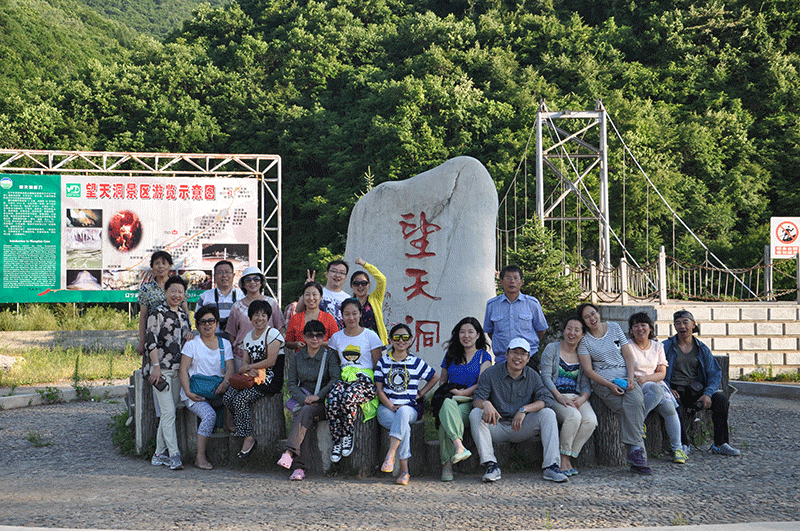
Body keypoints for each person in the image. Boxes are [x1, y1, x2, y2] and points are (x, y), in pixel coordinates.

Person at [470, 338, 568, 483]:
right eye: (514, 352)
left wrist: (524, 409)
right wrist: (486, 404)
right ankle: (491, 465)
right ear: (507, 354)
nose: (518, 357)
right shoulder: (491, 374)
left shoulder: (533, 375)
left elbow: (546, 399)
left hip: (521, 427)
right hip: (497, 425)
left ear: (528, 358)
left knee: (548, 413)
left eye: (523, 354)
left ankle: (551, 466)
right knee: (476, 414)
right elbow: (476, 400)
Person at [576, 303, 651, 474]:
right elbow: (588, 370)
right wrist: (609, 385)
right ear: (583, 321)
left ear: (598, 313)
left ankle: (635, 454)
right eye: (587, 317)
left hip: (626, 377)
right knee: (631, 407)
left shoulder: (615, 328)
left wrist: (631, 378)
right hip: (603, 382)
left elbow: (627, 355)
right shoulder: (585, 341)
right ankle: (637, 454)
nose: (592, 318)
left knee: (636, 400)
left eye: (593, 313)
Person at [663, 310, 740, 456]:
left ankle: (720, 444)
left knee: (721, 401)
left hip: (695, 389)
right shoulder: (666, 346)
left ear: (693, 325)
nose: (682, 326)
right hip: (674, 389)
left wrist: (707, 394)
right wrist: (666, 388)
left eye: (685, 322)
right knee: (674, 404)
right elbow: (658, 368)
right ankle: (683, 445)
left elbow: (714, 373)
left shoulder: (702, 349)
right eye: (678, 323)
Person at [277, 320, 341, 480]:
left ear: (324, 337)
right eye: (310, 335)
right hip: (304, 402)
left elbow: (335, 379)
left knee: (304, 414)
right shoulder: (298, 357)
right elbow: (291, 383)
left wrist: (318, 396)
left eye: (319, 335)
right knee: (305, 415)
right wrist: (304, 399)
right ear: (304, 337)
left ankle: (291, 455)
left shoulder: (329, 356)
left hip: (325, 404)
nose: (314, 339)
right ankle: (298, 468)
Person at [375, 324, 438, 485]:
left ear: (411, 340)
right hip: (386, 409)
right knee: (404, 427)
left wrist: (421, 393)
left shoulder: (416, 362)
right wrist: (390, 406)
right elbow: (379, 390)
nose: (400, 341)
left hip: (410, 408)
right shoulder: (383, 361)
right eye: (396, 337)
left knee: (403, 414)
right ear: (390, 340)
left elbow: (435, 377)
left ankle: (391, 454)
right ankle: (404, 471)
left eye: (405, 337)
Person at [222, 300, 285, 460]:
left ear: (268, 317)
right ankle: (241, 426)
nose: (260, 318)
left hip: (269, 381)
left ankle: (248, 437)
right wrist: (247, 367)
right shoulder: (248, 336)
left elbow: (271, 361)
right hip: (252, 379)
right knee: (228, 397)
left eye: (263, 315)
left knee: (240, 400)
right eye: (256, 314)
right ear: (250, 317)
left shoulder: (273, 334)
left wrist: (250, 367)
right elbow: (244, 362)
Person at [324, 298, 383, 462]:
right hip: (344, 378)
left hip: (365, 381)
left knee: (349, 397)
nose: (351, 318)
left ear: (360, 314)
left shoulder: (370, 335)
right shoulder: (336, 338)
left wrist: (379, 389)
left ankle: (348, 434)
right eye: (347, 314)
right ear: (342, 315)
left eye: (354, 313)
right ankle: (337, 440)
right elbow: (335, 364)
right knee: (332, 398)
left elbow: (378, 365)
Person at [539, 316, 597, 476]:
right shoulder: (552, 348)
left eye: (577, 330)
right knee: (573, 417)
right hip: (554, 395)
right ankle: (563, 459)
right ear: (564, 331)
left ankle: (569, 454)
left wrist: (583, 398)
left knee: (591, 421)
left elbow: (586, 383)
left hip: (576, 396)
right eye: (569, 328)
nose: (572, 332)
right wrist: (559, 397)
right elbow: (545, 377)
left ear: (582, 335)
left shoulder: (583, 354)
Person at [435, 317, 492, 482]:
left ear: (478, 335)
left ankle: (446, 464)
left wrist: (465, 393)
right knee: (446, 405)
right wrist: (451, 391)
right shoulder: (451, 355)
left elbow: (482, 383)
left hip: (470, 401)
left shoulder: (483, 356)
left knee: (446, 414)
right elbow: (443, 380)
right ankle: (459, 447)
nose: (466, 336)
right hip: (450, 397)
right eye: (462, 332)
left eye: (470, 332)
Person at [144, 275, 191, 471]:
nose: (177, 295)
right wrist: (155, 366)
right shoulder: (157, 313)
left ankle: (157, 454)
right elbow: (150, 341)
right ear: (166, 292)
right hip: (160, 370)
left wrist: (190, 335)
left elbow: (186, 338)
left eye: (180, 292)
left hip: (178, 369)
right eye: (173, 291)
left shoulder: (183, 314)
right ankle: (174, 455)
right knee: (169, 412)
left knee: (168, 414)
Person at [179, 305, 234, 470]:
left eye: (211, 321)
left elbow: (230, 368)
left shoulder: (224, 344)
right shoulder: (192, 344)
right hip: (195, 393)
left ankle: (230, 428)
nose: (207, 325)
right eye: (203, 322)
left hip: (218, 391)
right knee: (208, 415)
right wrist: (188, 392)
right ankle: (200, 457)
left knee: (237, 395)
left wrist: (226, 383)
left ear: (217, 323)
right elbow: (183, 369)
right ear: (197, 325)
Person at [628, 312, 687, 464]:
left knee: (669, 407)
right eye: (636, 326)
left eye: (643, 325)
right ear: (631, 329)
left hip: (653, 382)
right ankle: (639, 423)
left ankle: (677, 448)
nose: (640, 329)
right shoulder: (627, 346)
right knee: (656, 390)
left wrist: (647, 378)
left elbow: (661, 373)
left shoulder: (658, 346)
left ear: (650, 328)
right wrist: (640, 380)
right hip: (636, 385)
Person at [225, 266, 286, 371]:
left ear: (261, 282)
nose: (252, 282)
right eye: (248, 280)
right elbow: (232, 335)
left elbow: (280, 330)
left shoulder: (272, 303)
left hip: (266, 358)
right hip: (242, 357)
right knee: (242, 385)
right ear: (243, 284)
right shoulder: (237, 307)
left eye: (256, 279)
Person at [483, 264, 548, 364]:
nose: (512, 281)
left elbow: (541, 330)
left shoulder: (532, 303)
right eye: (508, 278)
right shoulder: (492, 305)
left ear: (521, 282)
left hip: (528, 358)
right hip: (502, 359)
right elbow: (490, 331)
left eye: (516, 278)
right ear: (501, 281)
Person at [137, 250, 190, 359]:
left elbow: (185, 311)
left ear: (170, 266)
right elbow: (143, 316)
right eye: (157, 263)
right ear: (152, 267)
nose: (160, 266)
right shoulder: (146, 289)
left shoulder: (178, 286)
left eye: (164, 263)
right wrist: (142, 341)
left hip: (176, 335)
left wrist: (189, 332)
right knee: (154, 369)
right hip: (155, 334)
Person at [194, 260, 245, 340]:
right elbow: (197, 322)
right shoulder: (205, 297)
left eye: (227, 272)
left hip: (236, 344)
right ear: (214, 276)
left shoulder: (242, 297)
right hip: (211, 344)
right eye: (220, 272)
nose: (224, 275)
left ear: (233, 275)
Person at [295, 260, 351, 329]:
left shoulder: (348, 299)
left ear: (345, 277)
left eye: (341, 273)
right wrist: (308, 289)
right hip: (316, 336)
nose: (337, 275)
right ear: (326, 274)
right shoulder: (317, 293)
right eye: (334, 271)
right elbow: (298, 310)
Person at [284, 281, 338, 351]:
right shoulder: (295, 318)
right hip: (301, 359)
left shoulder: (328, 318)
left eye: (314, 294)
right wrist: (296, 344)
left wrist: (319, 343)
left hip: (323, 359)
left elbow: (336, 341)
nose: (311, 298)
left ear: (321, 297)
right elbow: (288, 342)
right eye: (307, 294)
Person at [349, 258, 388, 344]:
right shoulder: (348, 303)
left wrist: (365, 264)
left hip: (376, 343)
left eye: (364, 283)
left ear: (368, 284)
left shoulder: (375, 298)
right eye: (356, 283)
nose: (360, 286)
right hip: (355, 344)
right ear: (351, 285)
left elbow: (382, 280)